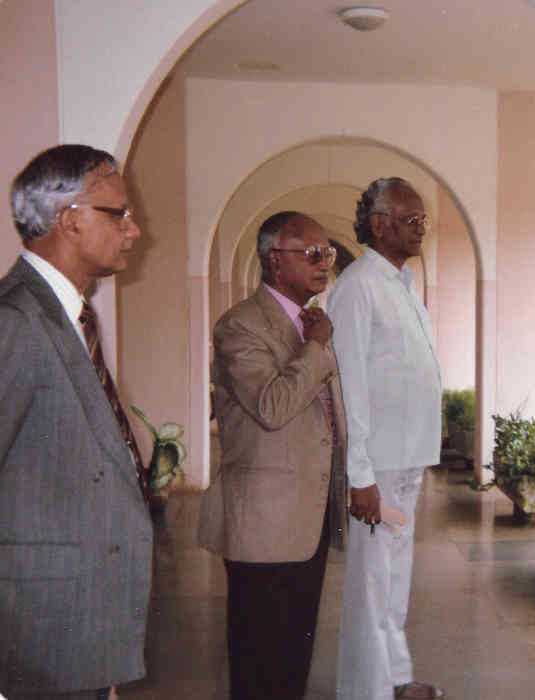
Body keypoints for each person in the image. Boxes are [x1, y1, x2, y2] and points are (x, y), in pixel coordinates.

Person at [0, 145, 152, 699]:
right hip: (36, 629)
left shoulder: (67, 315)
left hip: (78, 622)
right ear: (70, 220)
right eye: (120, 214)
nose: (133, 231)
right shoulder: (15, 321)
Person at [197, 211, 347, 699]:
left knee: (293, 656)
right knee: (259, 656)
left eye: (327, 252)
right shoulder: (240, 326)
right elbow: (272, 406)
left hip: (309, 514)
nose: (323, 261)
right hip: (262, 522)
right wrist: (317, 347)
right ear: (273, 260)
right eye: (311, 252)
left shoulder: (311, 322)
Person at [327, 178, 444, 700]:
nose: (421, 228)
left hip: (405, 461)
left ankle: (395, 677)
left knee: (394, 578)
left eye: (422, 219)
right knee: (373, 584)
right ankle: (367, 690)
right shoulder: (357, 286)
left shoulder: (400, 283)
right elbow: (349, 385)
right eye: (411, 218)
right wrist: (361, 476)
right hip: (379, 469)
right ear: (379, 224)